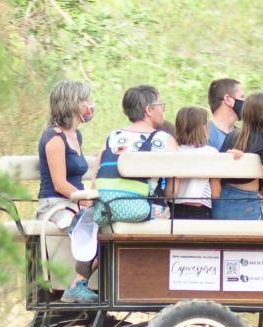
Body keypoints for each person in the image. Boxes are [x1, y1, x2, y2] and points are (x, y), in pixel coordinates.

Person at [36, 79, 96, 303]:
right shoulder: (54, 137)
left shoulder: (76, 136)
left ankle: (82, 283)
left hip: (75, 201)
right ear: (71, 104)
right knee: (86, 226)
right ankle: (75, 286)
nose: (89, 105)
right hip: (55, 204)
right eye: (84, 100)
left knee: (104, 223)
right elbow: (60, 183)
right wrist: (84, 199)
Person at [94, 85, 178, 225]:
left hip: (107, 211)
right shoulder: (165, 140)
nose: (163, 110)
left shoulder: (113, 137)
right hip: (147, 212)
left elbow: (95, 179)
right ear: (149, 110)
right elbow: (173, 191)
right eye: (160, 105)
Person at [168, 107, 219, 219]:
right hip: (199, 209)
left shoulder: (173, 150)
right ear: (204, 128)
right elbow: (215, 193)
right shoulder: (210, 153)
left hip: (173, 207)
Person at [208, 78, 245, 150]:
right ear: (228, 100)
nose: (245, 101)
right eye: (242, 97)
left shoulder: (242, 136)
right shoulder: (203, 134)